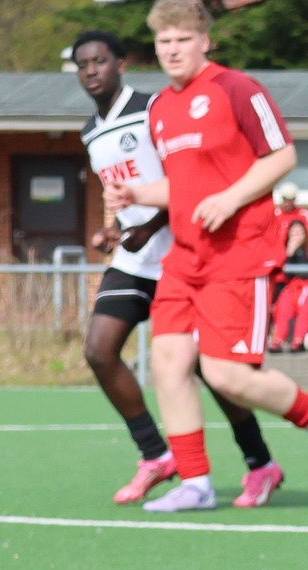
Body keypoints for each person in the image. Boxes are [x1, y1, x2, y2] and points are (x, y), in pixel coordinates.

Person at [102, 0, 308, 511]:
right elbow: (183, 187)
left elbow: (283, 154)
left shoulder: (236, 88)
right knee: (168, 363)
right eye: (163, 42)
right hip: (184, 258)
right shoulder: (161, 109)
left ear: (204, 41)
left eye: (181, 40)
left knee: (225, 376)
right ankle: (196, 482)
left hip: (238, 254)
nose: (171, 50)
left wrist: (232, 197)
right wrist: (136, 195)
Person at [74, 29, 286, 509]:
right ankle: (156, 454)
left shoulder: (153, 108)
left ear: (121, 63)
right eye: (82, 64)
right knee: (99, 351)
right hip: (134, 259)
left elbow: (187, 178)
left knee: (214, 372)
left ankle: (261, 464)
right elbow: (129, 188)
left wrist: (151, 226)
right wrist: (114, 229)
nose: (91, 71)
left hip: (185, 252)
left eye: (99, 61)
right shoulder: (89, 130)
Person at [269, 219, 308, 352]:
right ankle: (278, 340)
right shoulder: (286, 250)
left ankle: (298, 340)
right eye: (294, 232)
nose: (297, 235)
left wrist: (299, 273)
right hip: (292, 287)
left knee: (306, 307)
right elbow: (285, 273)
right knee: (284, 306)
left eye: (299, 232)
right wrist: (290, 253)